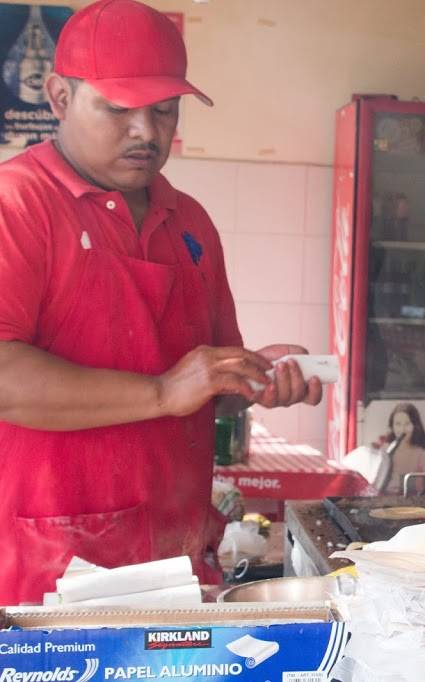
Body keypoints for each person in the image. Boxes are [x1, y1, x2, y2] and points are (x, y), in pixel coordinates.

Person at [0, 0, 321, 604]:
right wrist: (161, 391)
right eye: (118, 109)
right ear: (59, 97)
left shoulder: (189, 220)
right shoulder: (17, 205)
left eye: (164, 110)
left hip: (176, 558)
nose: (146, 131)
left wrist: (250, 377)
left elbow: (202, 393)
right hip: (51, 574)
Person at [382, 403, 425, 493]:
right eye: (398, 424)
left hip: (412, 502)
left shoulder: (422, 453)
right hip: (385, 502)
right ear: (392, 426)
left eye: (407, 424)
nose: (402, 429)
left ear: (415, 425)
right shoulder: (385, 450)